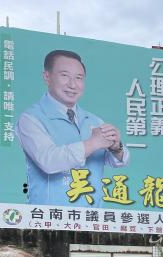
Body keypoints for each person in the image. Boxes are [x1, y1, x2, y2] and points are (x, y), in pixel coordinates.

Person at [15, 49, 130, 206]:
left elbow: (118, 161)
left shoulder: (94, 120)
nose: (73, 84)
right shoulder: (31, 118)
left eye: (79, 78)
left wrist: (117, 148)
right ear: (47, 77)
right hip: (50, 216)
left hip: (92, 216)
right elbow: (48, 161)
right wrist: (93, 143)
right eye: (65, 76)